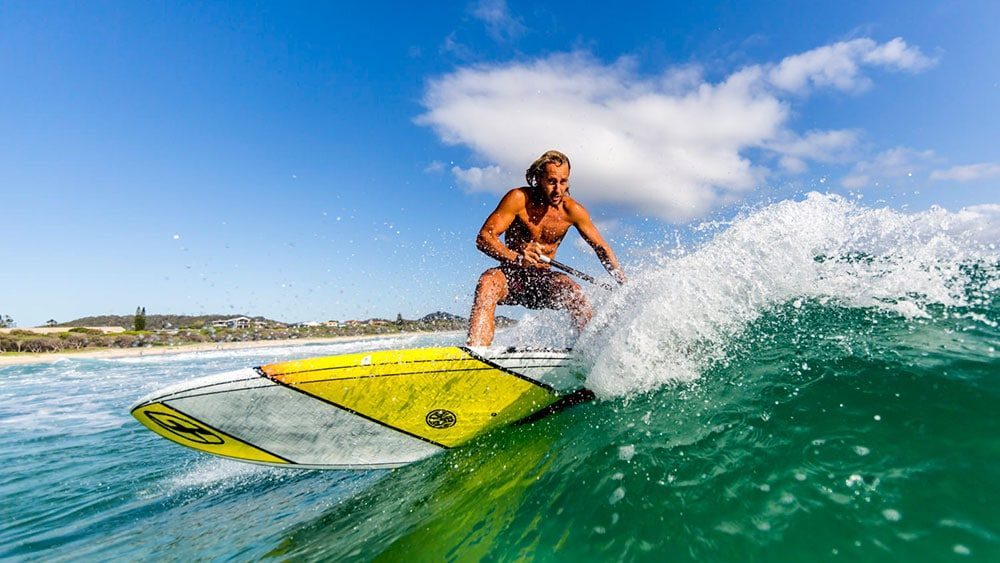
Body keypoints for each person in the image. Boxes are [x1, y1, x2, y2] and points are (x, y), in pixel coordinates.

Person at [467, 150, 626, 346]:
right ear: (538, 178)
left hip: (543, 280)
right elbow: (484, 237)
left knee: (573, 291)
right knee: (487, 282)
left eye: (563, 181)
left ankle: (588, 353)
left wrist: (624, 284)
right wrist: (517, 257)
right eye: (551, 181)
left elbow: (601, 248)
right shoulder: (518, 199)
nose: (558, 189)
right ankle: (477, 353)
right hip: (511, 275)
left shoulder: (572, 211)